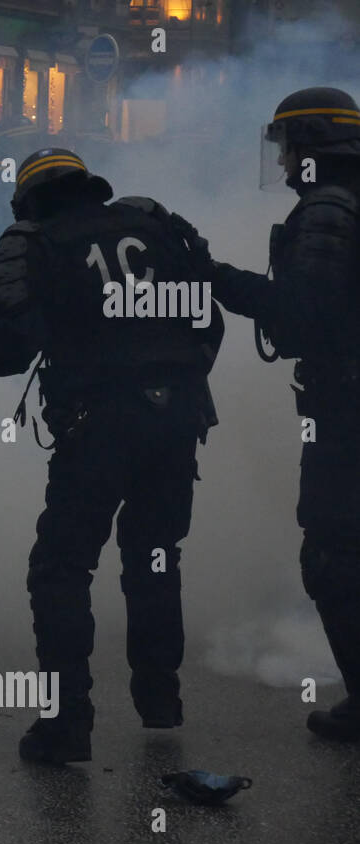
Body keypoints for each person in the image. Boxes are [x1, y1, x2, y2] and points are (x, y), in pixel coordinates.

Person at [0, 148, 223, 764]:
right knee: (155, 555)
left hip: (97, 426)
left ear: (31, 198)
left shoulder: (33, 241)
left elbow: (13, 343)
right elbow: (209, 320)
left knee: (61, 568)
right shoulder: (153, 226)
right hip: (175, 419)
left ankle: (67, 724)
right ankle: (160, 699)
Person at [175, 87, 360, 740]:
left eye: (289, 150)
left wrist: (209, 274)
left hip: (347, 412)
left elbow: (300, 314)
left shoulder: (330, 211)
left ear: (313, 148)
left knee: (334, 554)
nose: (282, 164)